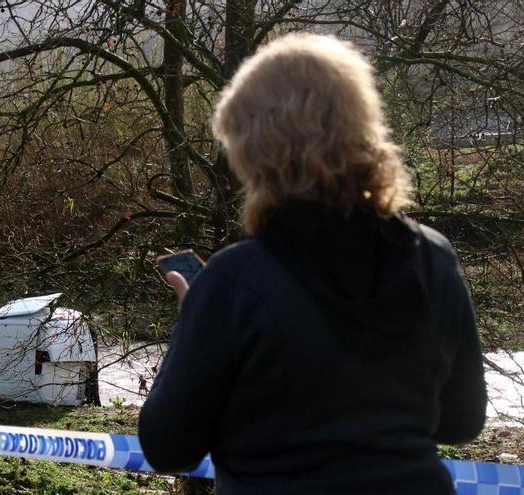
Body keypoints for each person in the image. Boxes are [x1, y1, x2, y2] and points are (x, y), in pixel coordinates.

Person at [138, 33, 487, 495]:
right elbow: (462, 422)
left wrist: (193, 323)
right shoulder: (434, 257)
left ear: (255, 153)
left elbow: (168, 448)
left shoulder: (235, 281)